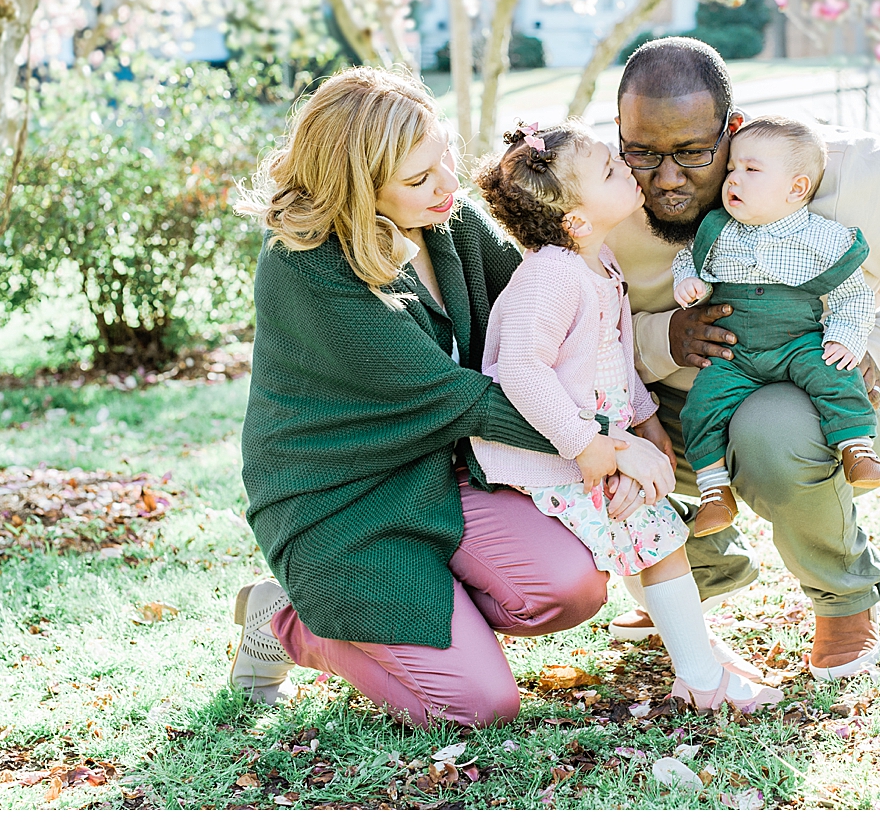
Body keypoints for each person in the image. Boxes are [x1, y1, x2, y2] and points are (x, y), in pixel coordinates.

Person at [227, 67, 673, 727]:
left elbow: (536, 330)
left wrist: (638, 411)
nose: (446, 186)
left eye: (445, 159)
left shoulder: (447, 223)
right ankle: (290, 621)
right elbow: (457, 398)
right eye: (418, 178)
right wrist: (607, 446)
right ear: (355, 186)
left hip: (449, 471)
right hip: (345, 503)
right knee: (477, 706)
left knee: (570, 589)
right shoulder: (306, 265)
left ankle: (424, 617)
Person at [605, 37, 880, 680]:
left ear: (732, 132)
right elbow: (577, 331)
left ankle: (844, 599)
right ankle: (689, 568)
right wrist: (663, 338)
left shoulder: (837, 169)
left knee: (774, 425)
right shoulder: (605, 192)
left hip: (845, 400)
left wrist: (875, 349)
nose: (667, 179)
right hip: (690, 402)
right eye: (643, 153)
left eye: (694, 154)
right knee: (576, 422)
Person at [470, 120, 783, 712]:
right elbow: (520, 371)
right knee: (657, 537)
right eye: (611, 169)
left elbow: (614, 361)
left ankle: (697, 661)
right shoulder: (551, 278)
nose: (626, 168)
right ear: (576, 221)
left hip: (600, 441)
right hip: (560, 454)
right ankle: (702, 680)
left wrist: (647, 422)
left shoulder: (596, 261)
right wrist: (586, 443)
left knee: (651, 531)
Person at [671, 115, 880, 539]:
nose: (733, 179)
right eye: (732, 168)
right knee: (701, 402)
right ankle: (715, 490)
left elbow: (854, 293)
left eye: (751, 170)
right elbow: (689, 259)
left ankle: (857, 448)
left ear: (797, 188)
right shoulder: (717, 231)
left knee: (836, 372)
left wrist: (846, 336)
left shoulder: (822, 238)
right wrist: (690, 282)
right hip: (733, 352)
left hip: (797, 340)